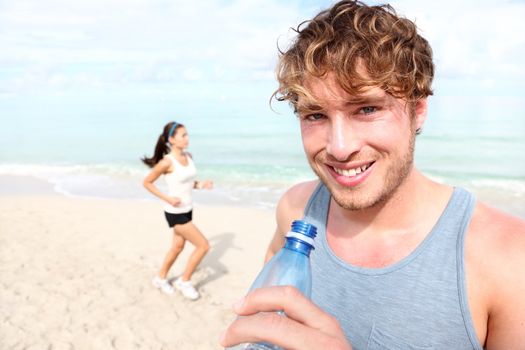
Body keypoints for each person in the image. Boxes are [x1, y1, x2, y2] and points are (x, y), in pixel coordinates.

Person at [220, 1, 525, 348]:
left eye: (367, 108)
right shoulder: (296, 211)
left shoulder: (509, 259)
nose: (338, 147)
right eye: (315, 115)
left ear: (418, 109)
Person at [142, 121, 212, 300]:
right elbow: (147, 182)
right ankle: (184, 281)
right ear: (172, 139)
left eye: (187, 134)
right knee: (203, 246)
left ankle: (160, 278)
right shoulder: (166, 162)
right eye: (183, 135)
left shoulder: (188, 156)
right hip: (175, 213)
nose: (187, 138)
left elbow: (188, 183)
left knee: (177, 246)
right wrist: (168, 198)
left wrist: (201, 184)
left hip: (188, 208)